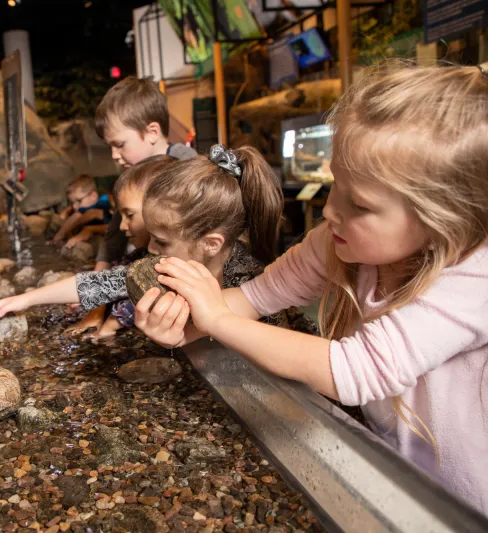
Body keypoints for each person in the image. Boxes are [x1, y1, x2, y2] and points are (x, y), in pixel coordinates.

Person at [139, 62, 488, 515]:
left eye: (358, 203)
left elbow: (357, 371)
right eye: (334, 186)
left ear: (445, 217)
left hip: (466, 501)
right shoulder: (337, 243)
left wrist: (217, 319)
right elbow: (255, 297)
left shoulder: (474, 279)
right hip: (397, 480)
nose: (330, 211)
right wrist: (182, 325)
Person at [0, 147, 317, 340]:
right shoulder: (166, 266)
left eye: (162, 241)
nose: (151, 250)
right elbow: (98, 284)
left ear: (211, 244)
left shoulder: (251, 282)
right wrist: (23, 300)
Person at [73, 76, 198, 334]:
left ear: (152, 132)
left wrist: (106, 310)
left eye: (119, 145)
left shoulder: (187, 168)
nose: (114, 156)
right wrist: (95, 303)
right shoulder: (133, 176)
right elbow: (112, 239)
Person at [51, 175, 113, 248]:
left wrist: (58, 237)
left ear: (93, 196)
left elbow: (89, 213)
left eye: (79, 201)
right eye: (71, 203)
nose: (74, 206)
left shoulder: (104, 200)